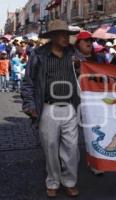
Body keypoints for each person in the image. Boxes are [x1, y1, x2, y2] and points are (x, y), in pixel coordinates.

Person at [21, 20, 80, 198]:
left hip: (70, 107)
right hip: (47, 108)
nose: (66, 38)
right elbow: (28, 82)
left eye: (67, 34)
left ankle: (70, 181)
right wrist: (30, 106)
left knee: (71, 148)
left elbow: (88, 74)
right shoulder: (38, 55)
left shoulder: (73, 54)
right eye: (62, 34)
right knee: (50, 147)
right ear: (53, 37)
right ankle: (53, 181)